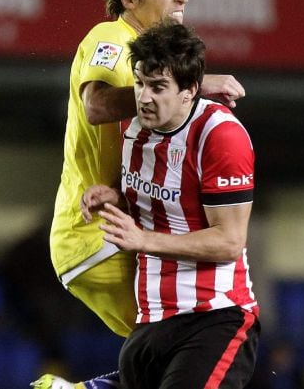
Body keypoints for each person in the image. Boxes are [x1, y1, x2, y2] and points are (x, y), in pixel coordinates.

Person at [36, 0, 245, 387]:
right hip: (95, 236)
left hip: (107, 227)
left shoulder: (151, 62)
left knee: (171, 360)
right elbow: (96, 105)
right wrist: (194, 84)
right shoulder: (110, 36)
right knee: (195, 335)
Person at [83, 21, 260, 388]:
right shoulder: (134, 128)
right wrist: (115, 196)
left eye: (158, 87)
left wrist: (143, 240)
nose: (144, 97)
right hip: (149, 323)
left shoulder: (220, 136)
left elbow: (229, 242)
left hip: (213, 318)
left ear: (190, 91)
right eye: (140, 83)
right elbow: (168, 198)